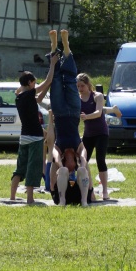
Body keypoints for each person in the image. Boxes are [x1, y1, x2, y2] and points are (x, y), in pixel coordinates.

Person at [9, 58, 56, 204]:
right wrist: (52, 64)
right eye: (34, 83)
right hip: (35, 137)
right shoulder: (29, 94)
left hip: (24, 136)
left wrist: (47, 86)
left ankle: (12, 197)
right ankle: (30, 199)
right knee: (32, 167)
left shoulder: (19, 97)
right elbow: (47, 81)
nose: (35, 85)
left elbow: (39, 97)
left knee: (20, 167)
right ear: (29, 83)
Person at [77, 72, 122, 201]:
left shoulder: (97, 96)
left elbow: (98, 112)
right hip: (88, 134)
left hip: (101, 133)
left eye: (82, 86)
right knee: (82, 160)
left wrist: (86, 116)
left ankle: (105, 191)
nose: (80, 89)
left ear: (88, 84)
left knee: (100, 160)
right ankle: (86, 188)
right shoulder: (78, 99)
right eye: (78, 86)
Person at [52, 141, 91, 207]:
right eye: (67, 151)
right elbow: (52, 184)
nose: (69, 150)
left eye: (72, 152)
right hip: (63, 195)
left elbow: (83, 157)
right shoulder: (58, 166)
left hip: (79, 195)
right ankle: (62, 202)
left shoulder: (81, 162)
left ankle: (84, 202)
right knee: (63, 170)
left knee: (83, 170)